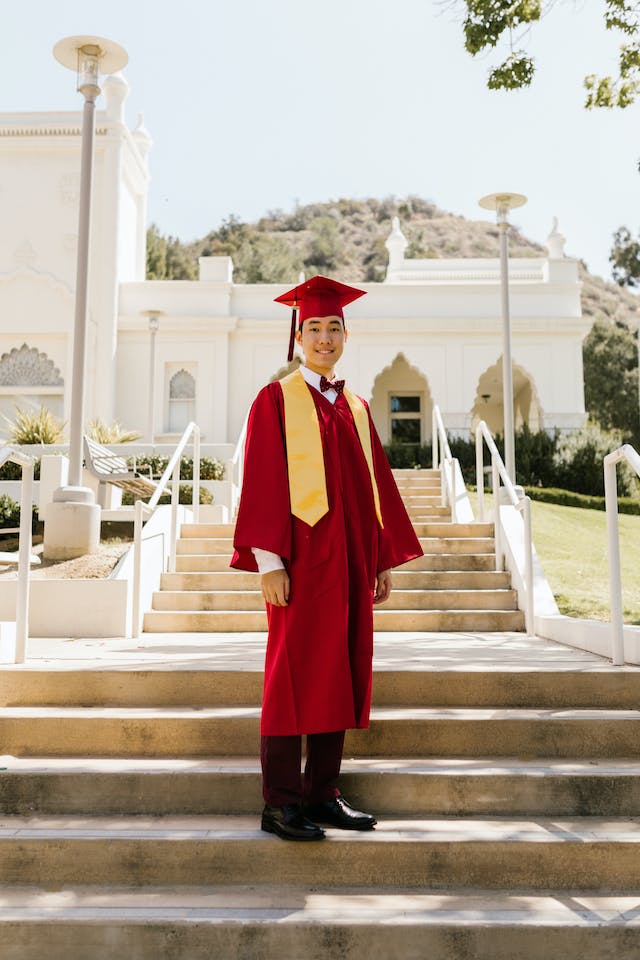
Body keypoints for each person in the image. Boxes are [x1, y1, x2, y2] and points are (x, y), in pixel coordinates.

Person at [231, 275, 422, 841]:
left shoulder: (357, 408)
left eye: (333, 327)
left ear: (345, 334)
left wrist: (380, 558)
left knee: (339, 671)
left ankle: (323, 794)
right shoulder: (276, 400)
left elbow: (373, 491)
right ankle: (280, 802)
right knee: (291, 676)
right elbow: (262, 481)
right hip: (299, 563)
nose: (323, 337)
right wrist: (268, 562)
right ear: (298, 335)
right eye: (313, 327)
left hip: (350, 565)